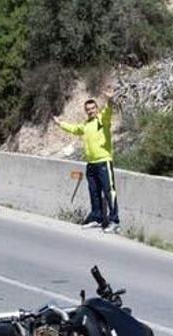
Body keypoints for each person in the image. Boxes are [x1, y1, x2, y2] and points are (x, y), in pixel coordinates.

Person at [54, 91, 120, 233]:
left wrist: (110, 100)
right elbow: (74, 129)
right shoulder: (86, 125)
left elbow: (108, 111)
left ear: (96, 109)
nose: (90, 111)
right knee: (94, 192)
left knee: (109, 192)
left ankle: (114, 221)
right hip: (91, 164)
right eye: (88, 110)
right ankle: (97, 218)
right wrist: (60, 124)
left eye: (92, 109)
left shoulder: (102, 120)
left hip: (103, 162)